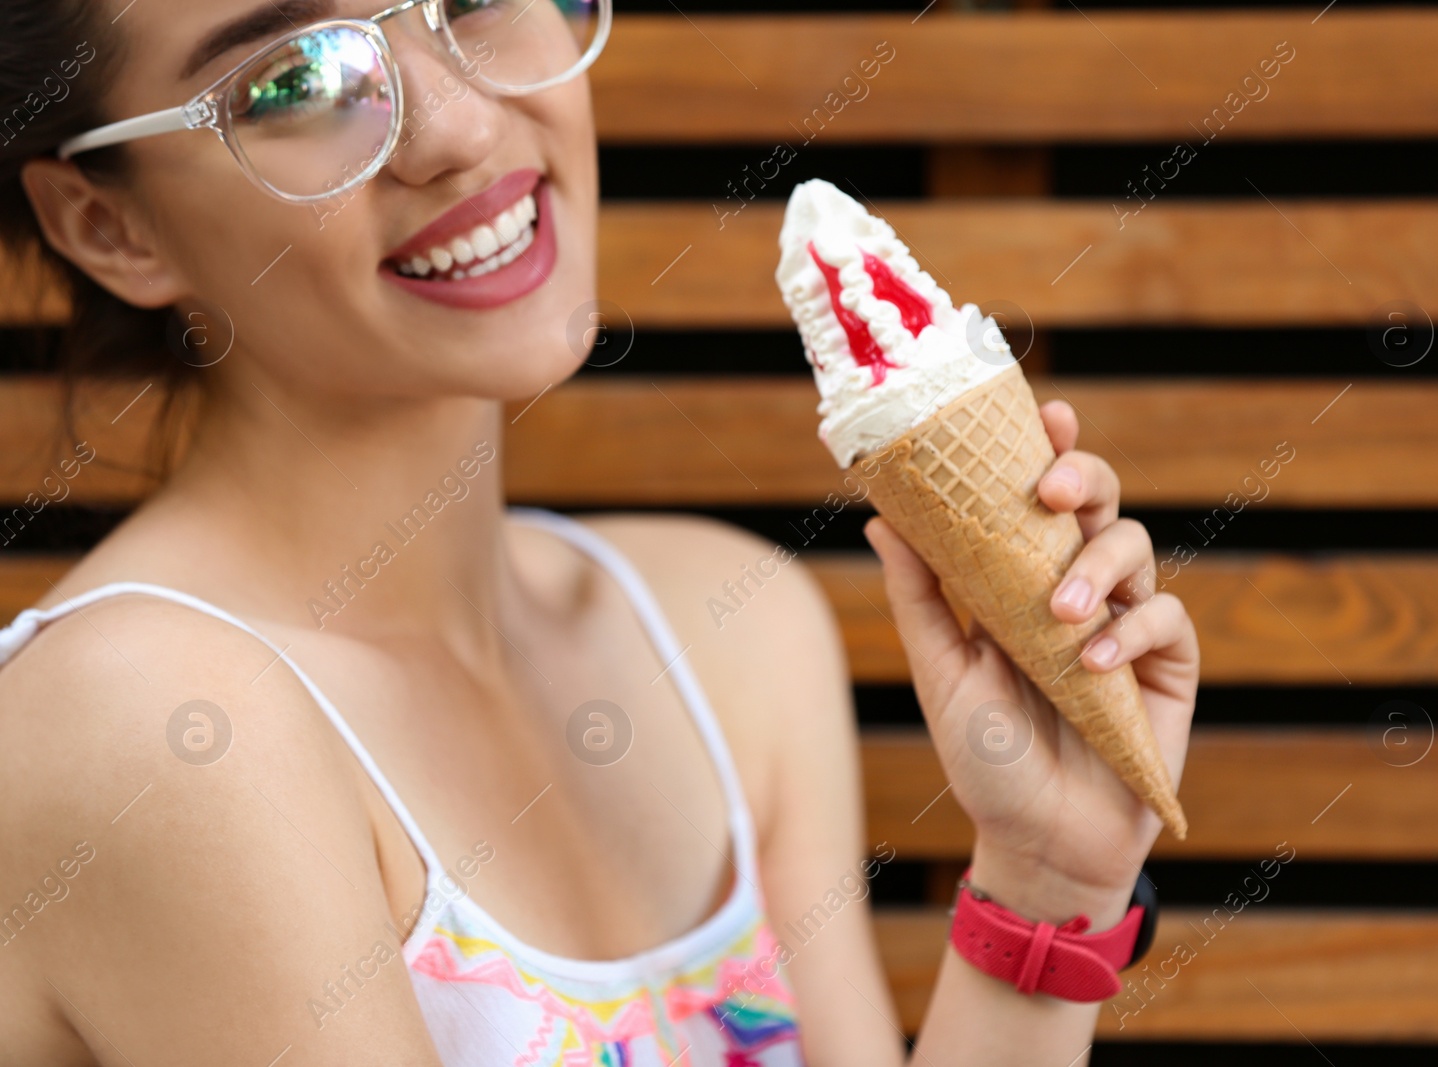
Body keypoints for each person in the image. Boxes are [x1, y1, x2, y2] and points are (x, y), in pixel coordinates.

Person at [0, 1, 1199, 1062]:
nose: (461, 126)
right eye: (296, 83)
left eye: (473, 1)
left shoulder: (724, 632)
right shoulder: (151, 728)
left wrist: (1047, 883)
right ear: (109, 225)